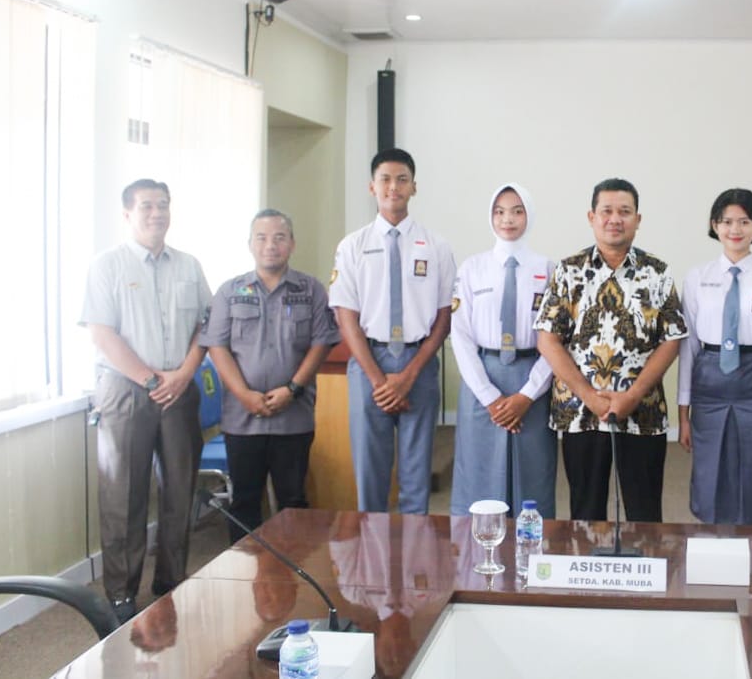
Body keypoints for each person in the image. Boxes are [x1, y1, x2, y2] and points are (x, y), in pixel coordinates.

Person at [80, 179, 210, 623]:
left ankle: (171, 583)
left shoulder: (190, 266)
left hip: (179, 386)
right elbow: (102, 333)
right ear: (127, 214)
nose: (157, 213)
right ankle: (121, 595)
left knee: (180, 490)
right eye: (147, 206)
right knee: (124, 497)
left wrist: (185, 373)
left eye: (163, 205)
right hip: (126, 390)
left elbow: (205, 329)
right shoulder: (107, 265)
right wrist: (151, 378)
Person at [535, 178, 687, 522]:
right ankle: (587, 576)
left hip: (642, 411)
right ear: (592, 217)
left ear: (638, 219)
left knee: (645, 512)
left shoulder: (657, 272)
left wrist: (633, 394)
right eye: (607, 211)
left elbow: (672, 338)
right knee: (586, 512)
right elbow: (548, 339)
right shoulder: (569, 271)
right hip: (581, 412)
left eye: (624, 211)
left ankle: (645, 572)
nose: (615, 219)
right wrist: (587, 394)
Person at [199, 209, 340, 541]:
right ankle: (243, 574)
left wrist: (292, 388)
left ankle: (294, 575)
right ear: (250, 244)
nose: (270, 245)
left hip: (294, 416)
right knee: (245, 500)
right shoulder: (229, 291)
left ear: (292, 244)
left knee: (293, 501)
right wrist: (245, 395)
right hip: (242, 417)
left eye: (279, 237)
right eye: (261, 238)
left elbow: (321, 343)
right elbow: (216, 347)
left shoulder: (311, 290)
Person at [329, 148, 456, 513]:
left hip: (419, 361)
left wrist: (409, 374)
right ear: (372, 187)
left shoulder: (436, 246)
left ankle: (412, 561)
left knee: (417, 478)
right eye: (385, 179)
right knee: (371, 475)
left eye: (402, 179)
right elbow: (346, 317)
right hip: (368, 362)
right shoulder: (353, 246)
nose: (393, 187)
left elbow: (444, 317)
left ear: (414, 187)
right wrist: (379, 380)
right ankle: (374, 562)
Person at [677, 188, 752, 524]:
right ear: (714, 225)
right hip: (710, 382)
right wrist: (683, 413)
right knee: (709, 471)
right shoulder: (698, 278)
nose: (735, 229)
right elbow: (689, 349)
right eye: (727, 221)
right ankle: (714, 548)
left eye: (744, 221)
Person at [449, 183, 557, 516]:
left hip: (533, 381)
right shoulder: (471, 268)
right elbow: (462, 336)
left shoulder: (550, 270)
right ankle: (476, 559)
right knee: (479, 476)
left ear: (530, 215)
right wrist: (489, 396)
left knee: (533, 473)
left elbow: (557, 339)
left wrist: (527, 394)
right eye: (499, 211)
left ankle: (532, 556)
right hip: (484, 379)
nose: (507, 219)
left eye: (516, 210)